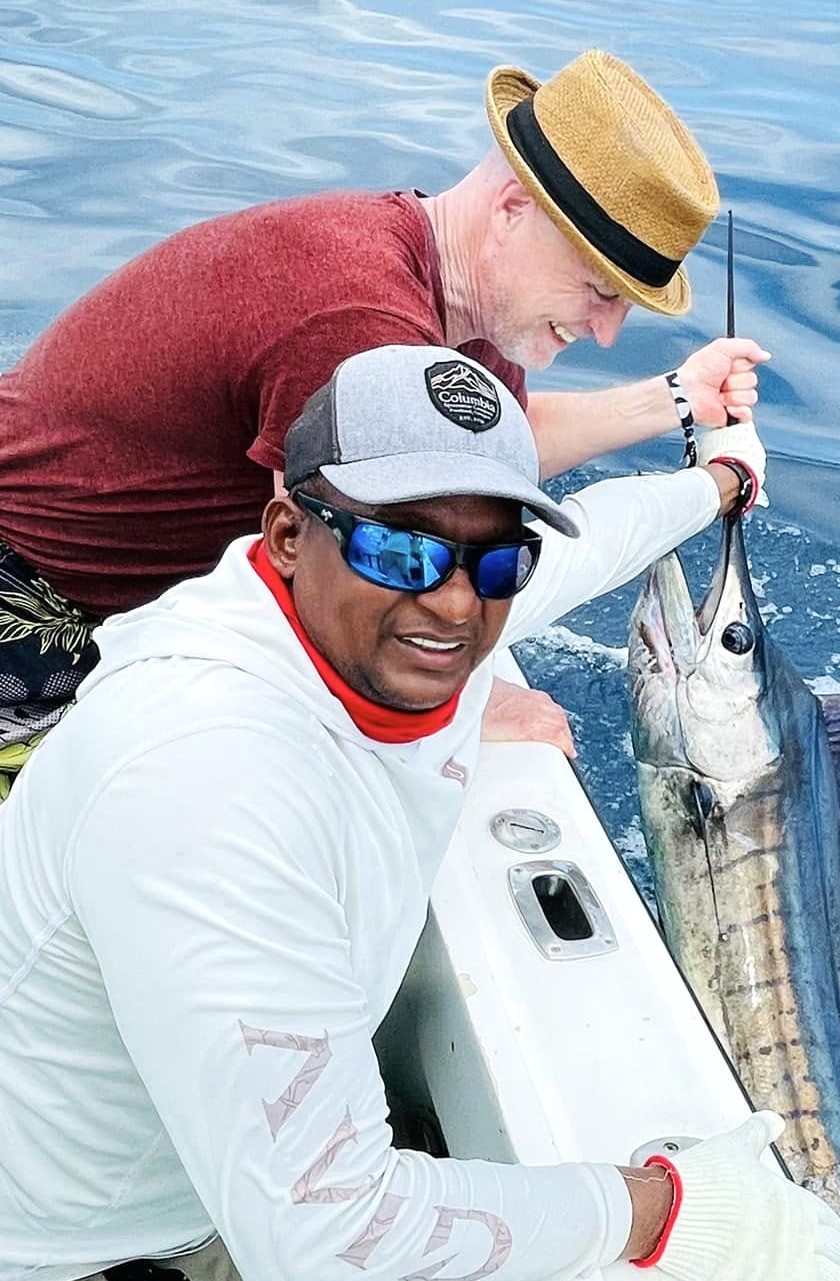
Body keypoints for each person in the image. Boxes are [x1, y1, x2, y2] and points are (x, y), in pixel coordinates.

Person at [0, 345, 840, 1281]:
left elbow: (592, 537)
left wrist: (718, 483)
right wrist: (664, 1206)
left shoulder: (383, 621)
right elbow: (323, 1233)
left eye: (494, 556)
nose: (455, 600)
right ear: (284, 530)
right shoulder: (209, 780)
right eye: (401, 545)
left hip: (166, 1197)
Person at [0, 48, 769, 794]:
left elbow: (492, 450)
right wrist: (461, 709)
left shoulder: (456, 307)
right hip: (35, 617)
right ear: (512, 211)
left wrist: (675, 396)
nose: (605, 332)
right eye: (600, 289)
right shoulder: (358, 316)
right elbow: (322, 596)